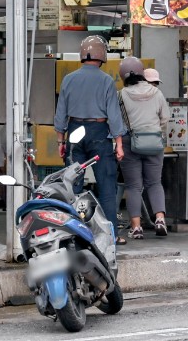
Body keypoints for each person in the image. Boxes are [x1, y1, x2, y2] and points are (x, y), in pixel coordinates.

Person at [54, 35, 127, 245]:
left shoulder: (68, 79)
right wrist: (119, 144)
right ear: (102, 55)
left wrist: (61, 142)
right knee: (106, 185)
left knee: (72, 186)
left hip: (75, 131)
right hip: (99, 131)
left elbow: (61, 114)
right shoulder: (106, 80)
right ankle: (110, 234)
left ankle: (71, 233)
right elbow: (114, 115)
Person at [118, 57, 170, 239]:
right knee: (154, 183)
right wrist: (157, 132)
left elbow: (117, 122)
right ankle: (160, 219)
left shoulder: (122, 94)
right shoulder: (156, 93)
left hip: (130, 143)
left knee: (133, 186)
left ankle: (137, 227)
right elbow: (165, 118)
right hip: (154, 143)